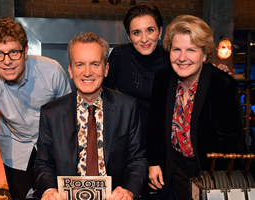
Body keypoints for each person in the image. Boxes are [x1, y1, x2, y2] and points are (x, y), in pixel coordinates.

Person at [0, 17, 71, 200]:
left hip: (53, 145)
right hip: (16, 147)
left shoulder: (52, 71)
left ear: (25, 51)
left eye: (13, 52)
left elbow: (69, 120)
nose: (7, 61)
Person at [34, 32, 147, 200]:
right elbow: (43, 163)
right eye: (80, 65)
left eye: (95, 64)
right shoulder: (51, 113)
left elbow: (138, 159)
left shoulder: (127, 107)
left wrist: (128, 190)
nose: (87, 72)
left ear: (106, 69)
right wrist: (48, 190)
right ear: (70, 70)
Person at [146, 15, 247, 200]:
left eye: (191, 50)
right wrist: (153, 163)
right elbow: (155, 125)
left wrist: (219, 184)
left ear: (205, 54)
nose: (182, 58)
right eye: (176, 49)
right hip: (173, 169)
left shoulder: (223, 86)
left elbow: (231, 143)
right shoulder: (163, 79)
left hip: (211, 173)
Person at [103, 5, 170, 142]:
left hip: (162, 138)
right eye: (137, 33)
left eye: (150, 30)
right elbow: (104, 94)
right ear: (129, 36)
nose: (144, 39)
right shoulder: (120, 55)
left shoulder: (170, 58)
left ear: (160, 31)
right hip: (127, 137)